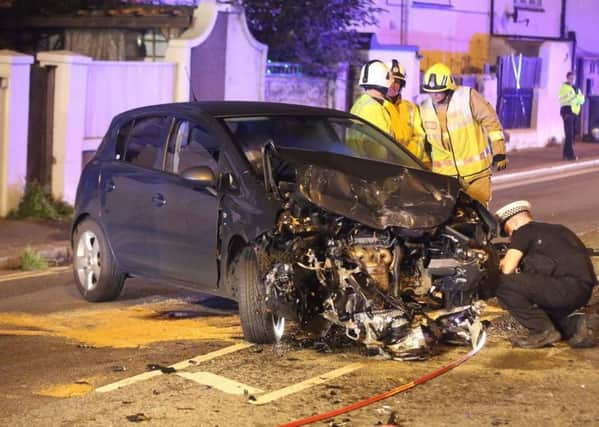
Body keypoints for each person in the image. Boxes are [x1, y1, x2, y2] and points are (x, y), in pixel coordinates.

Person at [495, 200, 599, 349]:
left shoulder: (524, 231)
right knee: (546, 318)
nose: (511, 237)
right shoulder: (559, 229)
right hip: (582, 291)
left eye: (510, 232)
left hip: (563, 288)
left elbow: (507, 269)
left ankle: (542, 332)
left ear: (515, 222)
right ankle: (579, 325)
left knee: (501, 284)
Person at [419, 62, 507, 206]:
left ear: (449, 87)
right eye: (430, 91)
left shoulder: (468, 97)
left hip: (476, 175)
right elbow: (425, 144)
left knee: (478, 218)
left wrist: (499, 151)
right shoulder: (424, 108)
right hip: (446, 178)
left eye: (439, 91)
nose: (434, 95)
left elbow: (491, 121)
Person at [385, 59, 429, 165]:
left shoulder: (411, 107)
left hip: (412, 163)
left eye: (397, 81)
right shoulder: (378, 106)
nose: (393, 85)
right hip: (388, 164)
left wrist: (407, 156)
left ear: (402, 84)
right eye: (390, 80)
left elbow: (419, 137)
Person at [559, 71, 585, 161]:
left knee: (571, 135)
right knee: (569, 134)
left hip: (574, 113)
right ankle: (570, 155)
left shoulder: (576, 88)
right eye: (570, 78)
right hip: (567, 112)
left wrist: (575, 99)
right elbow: (563, 100)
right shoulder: (564, 88)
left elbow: (582, 100)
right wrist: (576, 98)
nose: (572, 79)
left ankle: (566, 154)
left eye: (573, 78)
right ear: (567, 78)